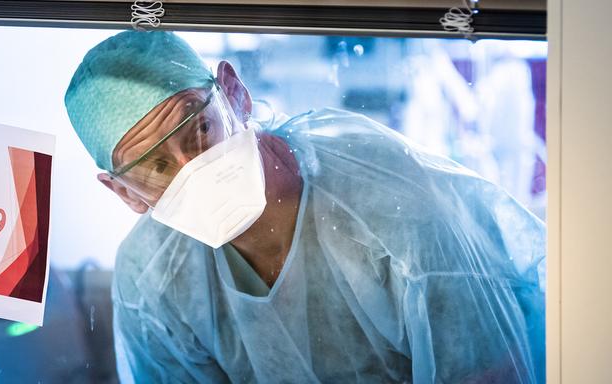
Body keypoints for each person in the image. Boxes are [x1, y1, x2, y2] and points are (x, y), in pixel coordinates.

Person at [63, 31, 545, 383]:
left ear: (234, 93)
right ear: (125, 193)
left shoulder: (397, 209)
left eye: (200, 130)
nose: (194, 169)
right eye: (157, 168)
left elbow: (491, 371)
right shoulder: (153, 282)